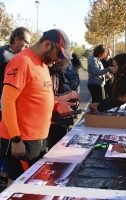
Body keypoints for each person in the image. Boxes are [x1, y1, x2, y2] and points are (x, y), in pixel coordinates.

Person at [0, 28, 72, 185]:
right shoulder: (23, 61)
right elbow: (7, 101)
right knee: (18, 188)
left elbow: (39, 95)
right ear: (47, 44)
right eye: (59, 54)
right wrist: (16, 138)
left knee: (33, 186)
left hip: (38, 137)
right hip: (22, 140)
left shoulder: (44, 64)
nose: (59, 59)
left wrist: (59, 106)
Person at [0, 27, 30, 185]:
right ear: (17, 39)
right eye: (25, 42)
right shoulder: (6, 56)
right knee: (6, 142)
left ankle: (4, 172)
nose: (26, 47)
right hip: (4, 105)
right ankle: (5, 173)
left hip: (6, 104)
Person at [48, 58, 80, 150]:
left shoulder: (58, 74)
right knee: (56, 147)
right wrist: (72, 94)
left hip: (60, 117)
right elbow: (52, 97)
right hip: (56, 119)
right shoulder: (54, 74)